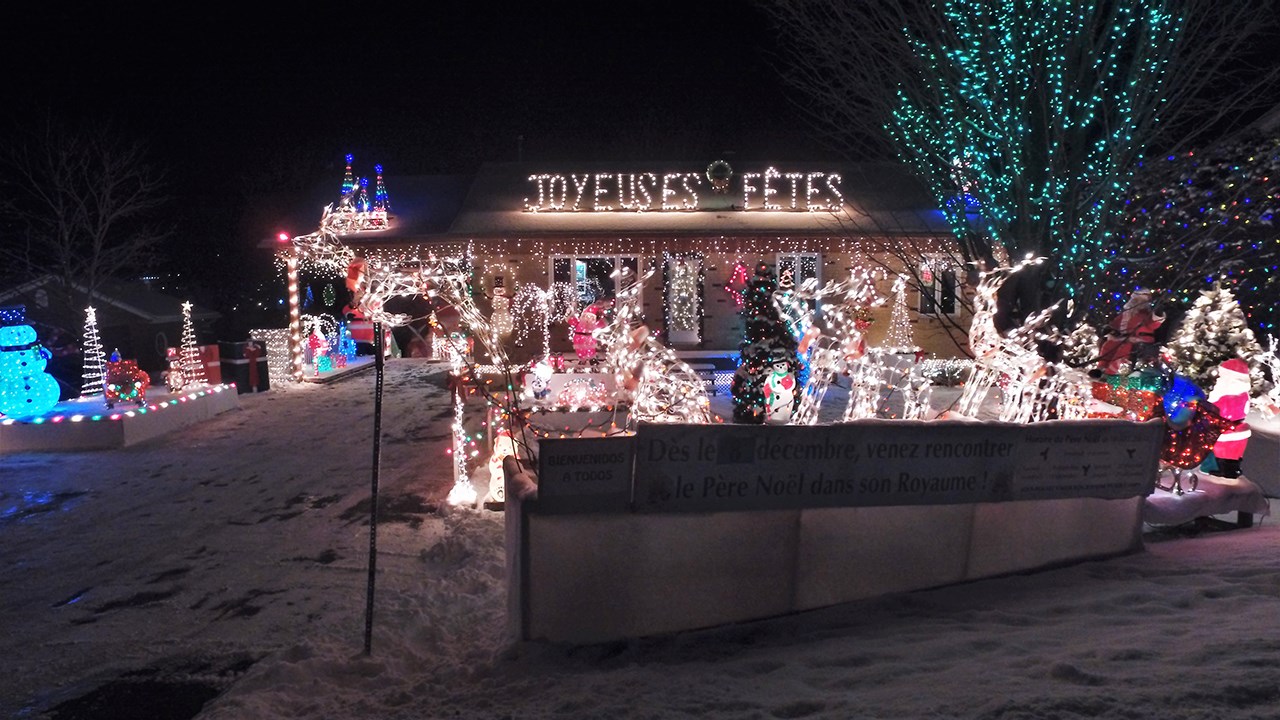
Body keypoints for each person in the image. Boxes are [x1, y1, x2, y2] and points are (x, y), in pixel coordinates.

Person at [1206, 358, 1251, 478]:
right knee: (1234, 453)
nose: (1219, 379)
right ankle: (1233, 469)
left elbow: (1217, 410)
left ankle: (1223, 470)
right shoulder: (1244, 394)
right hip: (1240, 427)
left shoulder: (1223, 396)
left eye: (1222, 376)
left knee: (1222, 451)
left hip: (1225, 429)